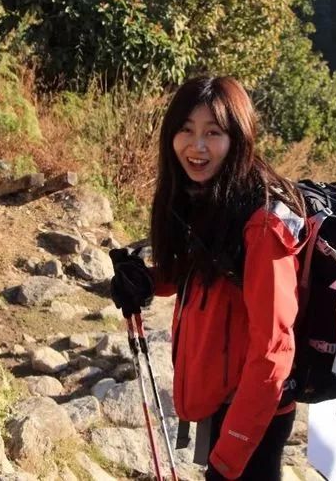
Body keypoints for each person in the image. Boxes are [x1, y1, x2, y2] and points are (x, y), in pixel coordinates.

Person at [110, 76, 309, 480]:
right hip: (223, 399)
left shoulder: (263, 225)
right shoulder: (209, 196)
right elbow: (201, 269)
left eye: (213, 133)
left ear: (238, 138)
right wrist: (149, 281)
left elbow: (274, 349)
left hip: (255, 415)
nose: (196, 146)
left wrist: (229, 457)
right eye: (186, 130)